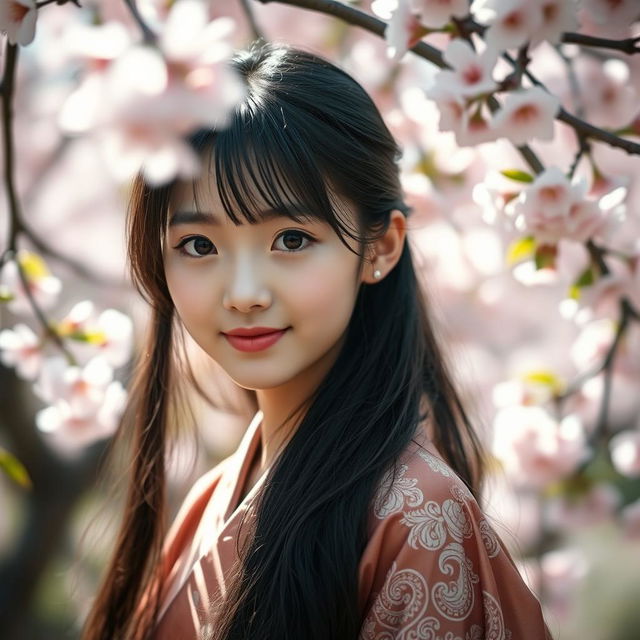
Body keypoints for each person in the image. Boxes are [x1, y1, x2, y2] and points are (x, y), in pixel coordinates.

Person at [82, 42, 552, 640]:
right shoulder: (213, 496)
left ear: (379, 247)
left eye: (292, 240)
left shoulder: (416, 517)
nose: (244, 293)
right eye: (199, 246)